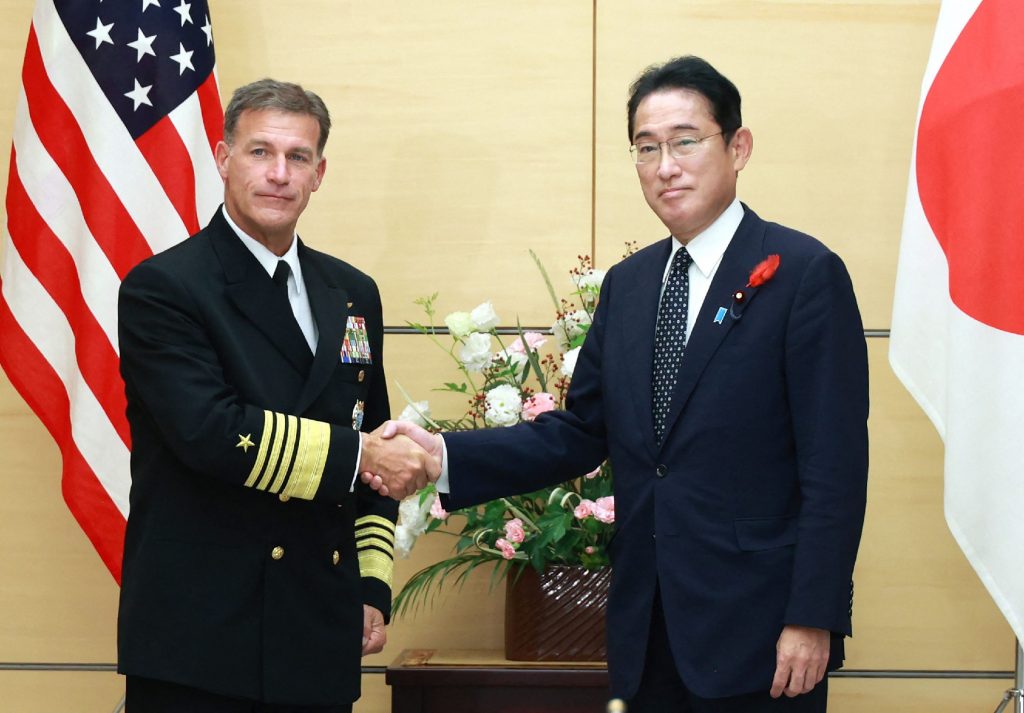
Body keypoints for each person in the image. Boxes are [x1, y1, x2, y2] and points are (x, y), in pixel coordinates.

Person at [367, 56, 869, 712]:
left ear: (738, 147)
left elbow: (835, 468)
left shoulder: (802, 273)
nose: (666, 165)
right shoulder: (629, 287)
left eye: (687, 140)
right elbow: (581, 434)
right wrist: (442, 456)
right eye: (646, 147)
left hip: (762, 632)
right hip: (645, 629)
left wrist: (814, 616)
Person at [116, 79, 435, 712]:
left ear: (320, 173)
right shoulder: (164, 289)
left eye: (299, 157)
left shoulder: (351, 292)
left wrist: (370, 585)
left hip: (316, 626)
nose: (279, 174)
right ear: (222, 158)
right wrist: (363, 456)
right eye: (260, 152)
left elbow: (365, 429)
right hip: (202, 639)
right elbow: (211, 433)